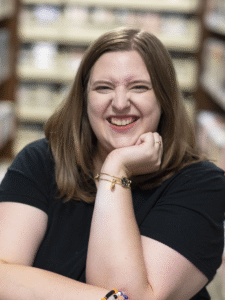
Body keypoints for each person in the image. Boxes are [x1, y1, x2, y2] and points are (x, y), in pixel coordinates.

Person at [0, 27, 224, 300]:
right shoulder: (42, 160)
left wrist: (116, 168)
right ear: (84, 99)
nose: (119, 103)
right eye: (103, 87)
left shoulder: (202, 184)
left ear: (163, 98)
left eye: (139, 87)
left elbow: (134, 293)